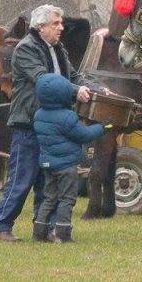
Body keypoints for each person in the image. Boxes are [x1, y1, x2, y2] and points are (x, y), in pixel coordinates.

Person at [0, 5, 104, 242]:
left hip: (53, 125)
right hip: (28, 123)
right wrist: (75, 91)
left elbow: (74, 76)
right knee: (21, 179)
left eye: (61, 23)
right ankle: (1, 227)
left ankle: (45, 229)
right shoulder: (26, 49)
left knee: (49, 182)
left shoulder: (58, 48)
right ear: (40, 26)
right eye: (56, 23)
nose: (61, 28)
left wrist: (97, 88)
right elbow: (44, 81)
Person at [32, 74, 107, 243]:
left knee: (49, 198)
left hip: (48, 164)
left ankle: (39, 232)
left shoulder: (38, 115)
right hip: (66, 166)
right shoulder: (67, 117)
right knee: (67, 199)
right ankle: (63, 233)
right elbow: (84, 135)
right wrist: (103, 128)